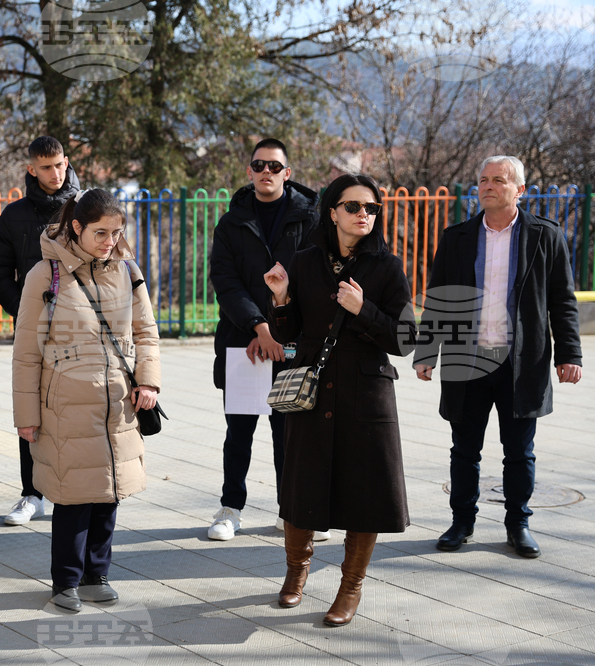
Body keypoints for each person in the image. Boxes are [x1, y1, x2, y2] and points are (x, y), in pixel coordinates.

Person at [264, 173, 415, 626]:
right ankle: (295, 574)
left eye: (370, 208)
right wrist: (280, 298)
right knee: (301, 486)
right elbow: (289, 337)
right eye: (352, 206)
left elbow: (405, 339)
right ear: (332, 212)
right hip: (313, 393)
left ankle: (350, 588)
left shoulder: (387, 267)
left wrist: (363, 309)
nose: (363, 214)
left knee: (363, 493)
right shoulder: (305, 261)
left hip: (365, 395)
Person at [414, 155, 583, 559]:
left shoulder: (546, 236)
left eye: (499, 180)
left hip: (521, 364)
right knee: (464, 450)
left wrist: (569, 353)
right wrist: (427, 352)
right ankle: (461, 522)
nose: (487, 186)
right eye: (483, 180)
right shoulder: (456, 237)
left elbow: (562, 300)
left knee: (519, 452)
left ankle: (518, 524)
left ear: (519, 190)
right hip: (467, 361)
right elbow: (438, 299)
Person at [12, 189, 161, 612]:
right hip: (64, 404)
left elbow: (146, 331)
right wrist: (26, 415)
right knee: (74, 495)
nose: (109, 240)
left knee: (109, 491)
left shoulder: (127, 271)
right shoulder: (45, 275)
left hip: (117, 402)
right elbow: (26, 351)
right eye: (101, 232)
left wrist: (148, 382)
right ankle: (66, 582)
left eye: (116, 232)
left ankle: (98, 574)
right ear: (76, 227)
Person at [208, 138, 324, 542]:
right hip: (243, 341)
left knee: (288, 431)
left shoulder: (310, 218)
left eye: (275, 167)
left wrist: (280, 327)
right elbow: (224, 281)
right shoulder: (231, 222)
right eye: (259, 165)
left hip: (291, 341)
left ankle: (288, 510)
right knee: (238, 431)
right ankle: (231, 508)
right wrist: (259, 327)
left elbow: (316, 277)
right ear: (250, 171)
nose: (266, 173)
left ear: (287, 173)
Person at [0, 135, 80, 526]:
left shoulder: (87, 207)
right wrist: (26, 313)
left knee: (80, 411)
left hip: (81, 331)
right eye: (46, 167)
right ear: (31, 169)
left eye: (59, 164)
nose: (55, 173)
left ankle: (76, 490)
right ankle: (31, 494)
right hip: (34, 333)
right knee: (32, 410)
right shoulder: (14, 215)